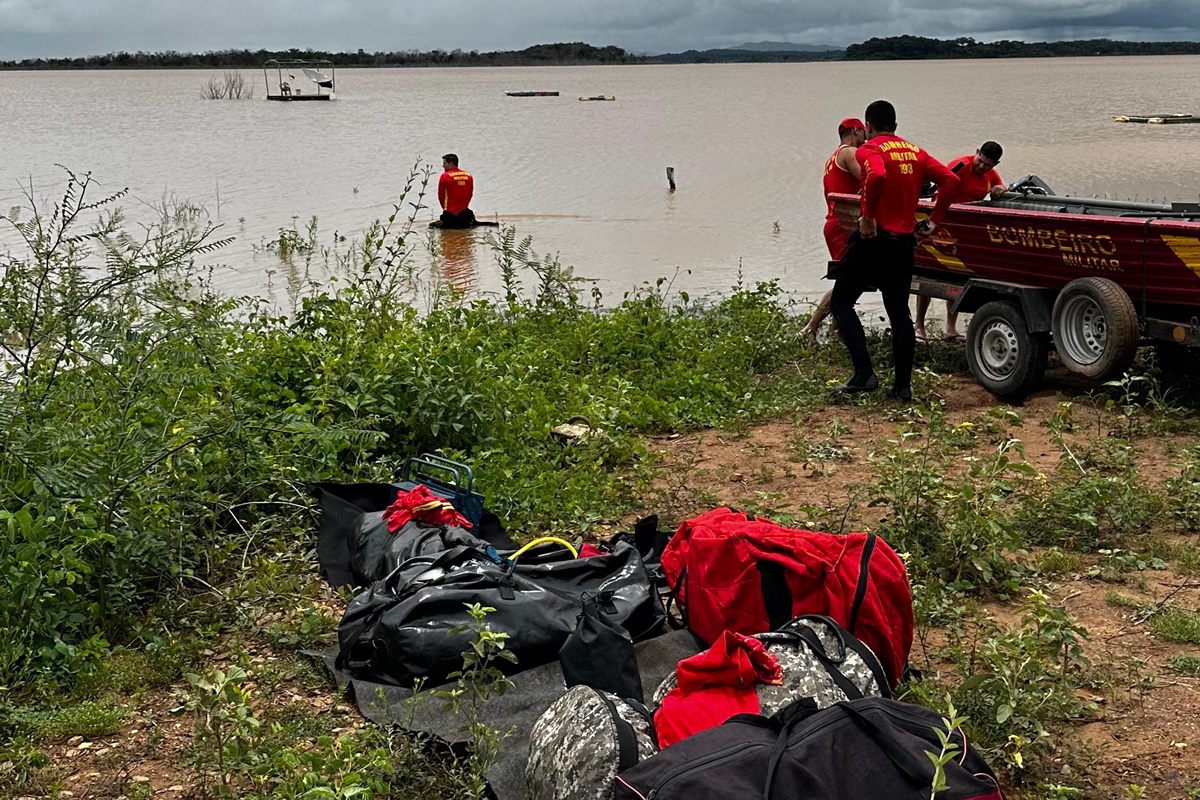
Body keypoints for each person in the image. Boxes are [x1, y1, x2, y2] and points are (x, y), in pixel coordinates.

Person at [829, 100, 960, 402]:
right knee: (899, 312)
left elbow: (875, 176)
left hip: (872, 239)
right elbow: (951, 181)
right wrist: (933, 223)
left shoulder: (869, 149)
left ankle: (864, 374)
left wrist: (869, 216)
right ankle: (902, 387)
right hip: (903, 244)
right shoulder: (917, 152)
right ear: (896, 127)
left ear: (869, 126)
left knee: (842, 303)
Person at [914, 141, 1005, 342]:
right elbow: (941, 185)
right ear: (976, 153)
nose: (981, 167)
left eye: (987, 165)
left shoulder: (990, 174)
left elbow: (1000, 186)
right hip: (942, 223)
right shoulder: (961, 165)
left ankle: (951, 328)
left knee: (957, 275)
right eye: (980, 161)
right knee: (929, 273)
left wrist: (999, 188)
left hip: (964, 230)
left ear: (994, 164)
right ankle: (919, 326)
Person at [804, 118, 866, 338]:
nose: (865, 137)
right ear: (857, 131)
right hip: (842, 226)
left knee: (849, 281)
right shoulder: (849, 153)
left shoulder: (832, 159)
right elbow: (868, 179)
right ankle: (810, 328)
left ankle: (836, 328)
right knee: (846, 282)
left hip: (836, 224)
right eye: (864, 132)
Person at [437, 154, 476, 229]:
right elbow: (470, 194)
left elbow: (441, 196)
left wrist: (445, 209)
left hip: (450, 214)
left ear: (451, 164)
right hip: (465, 214)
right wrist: (464, 206)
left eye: (445, 163)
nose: (443, 166)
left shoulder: (445, 176)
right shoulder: (468, 175)